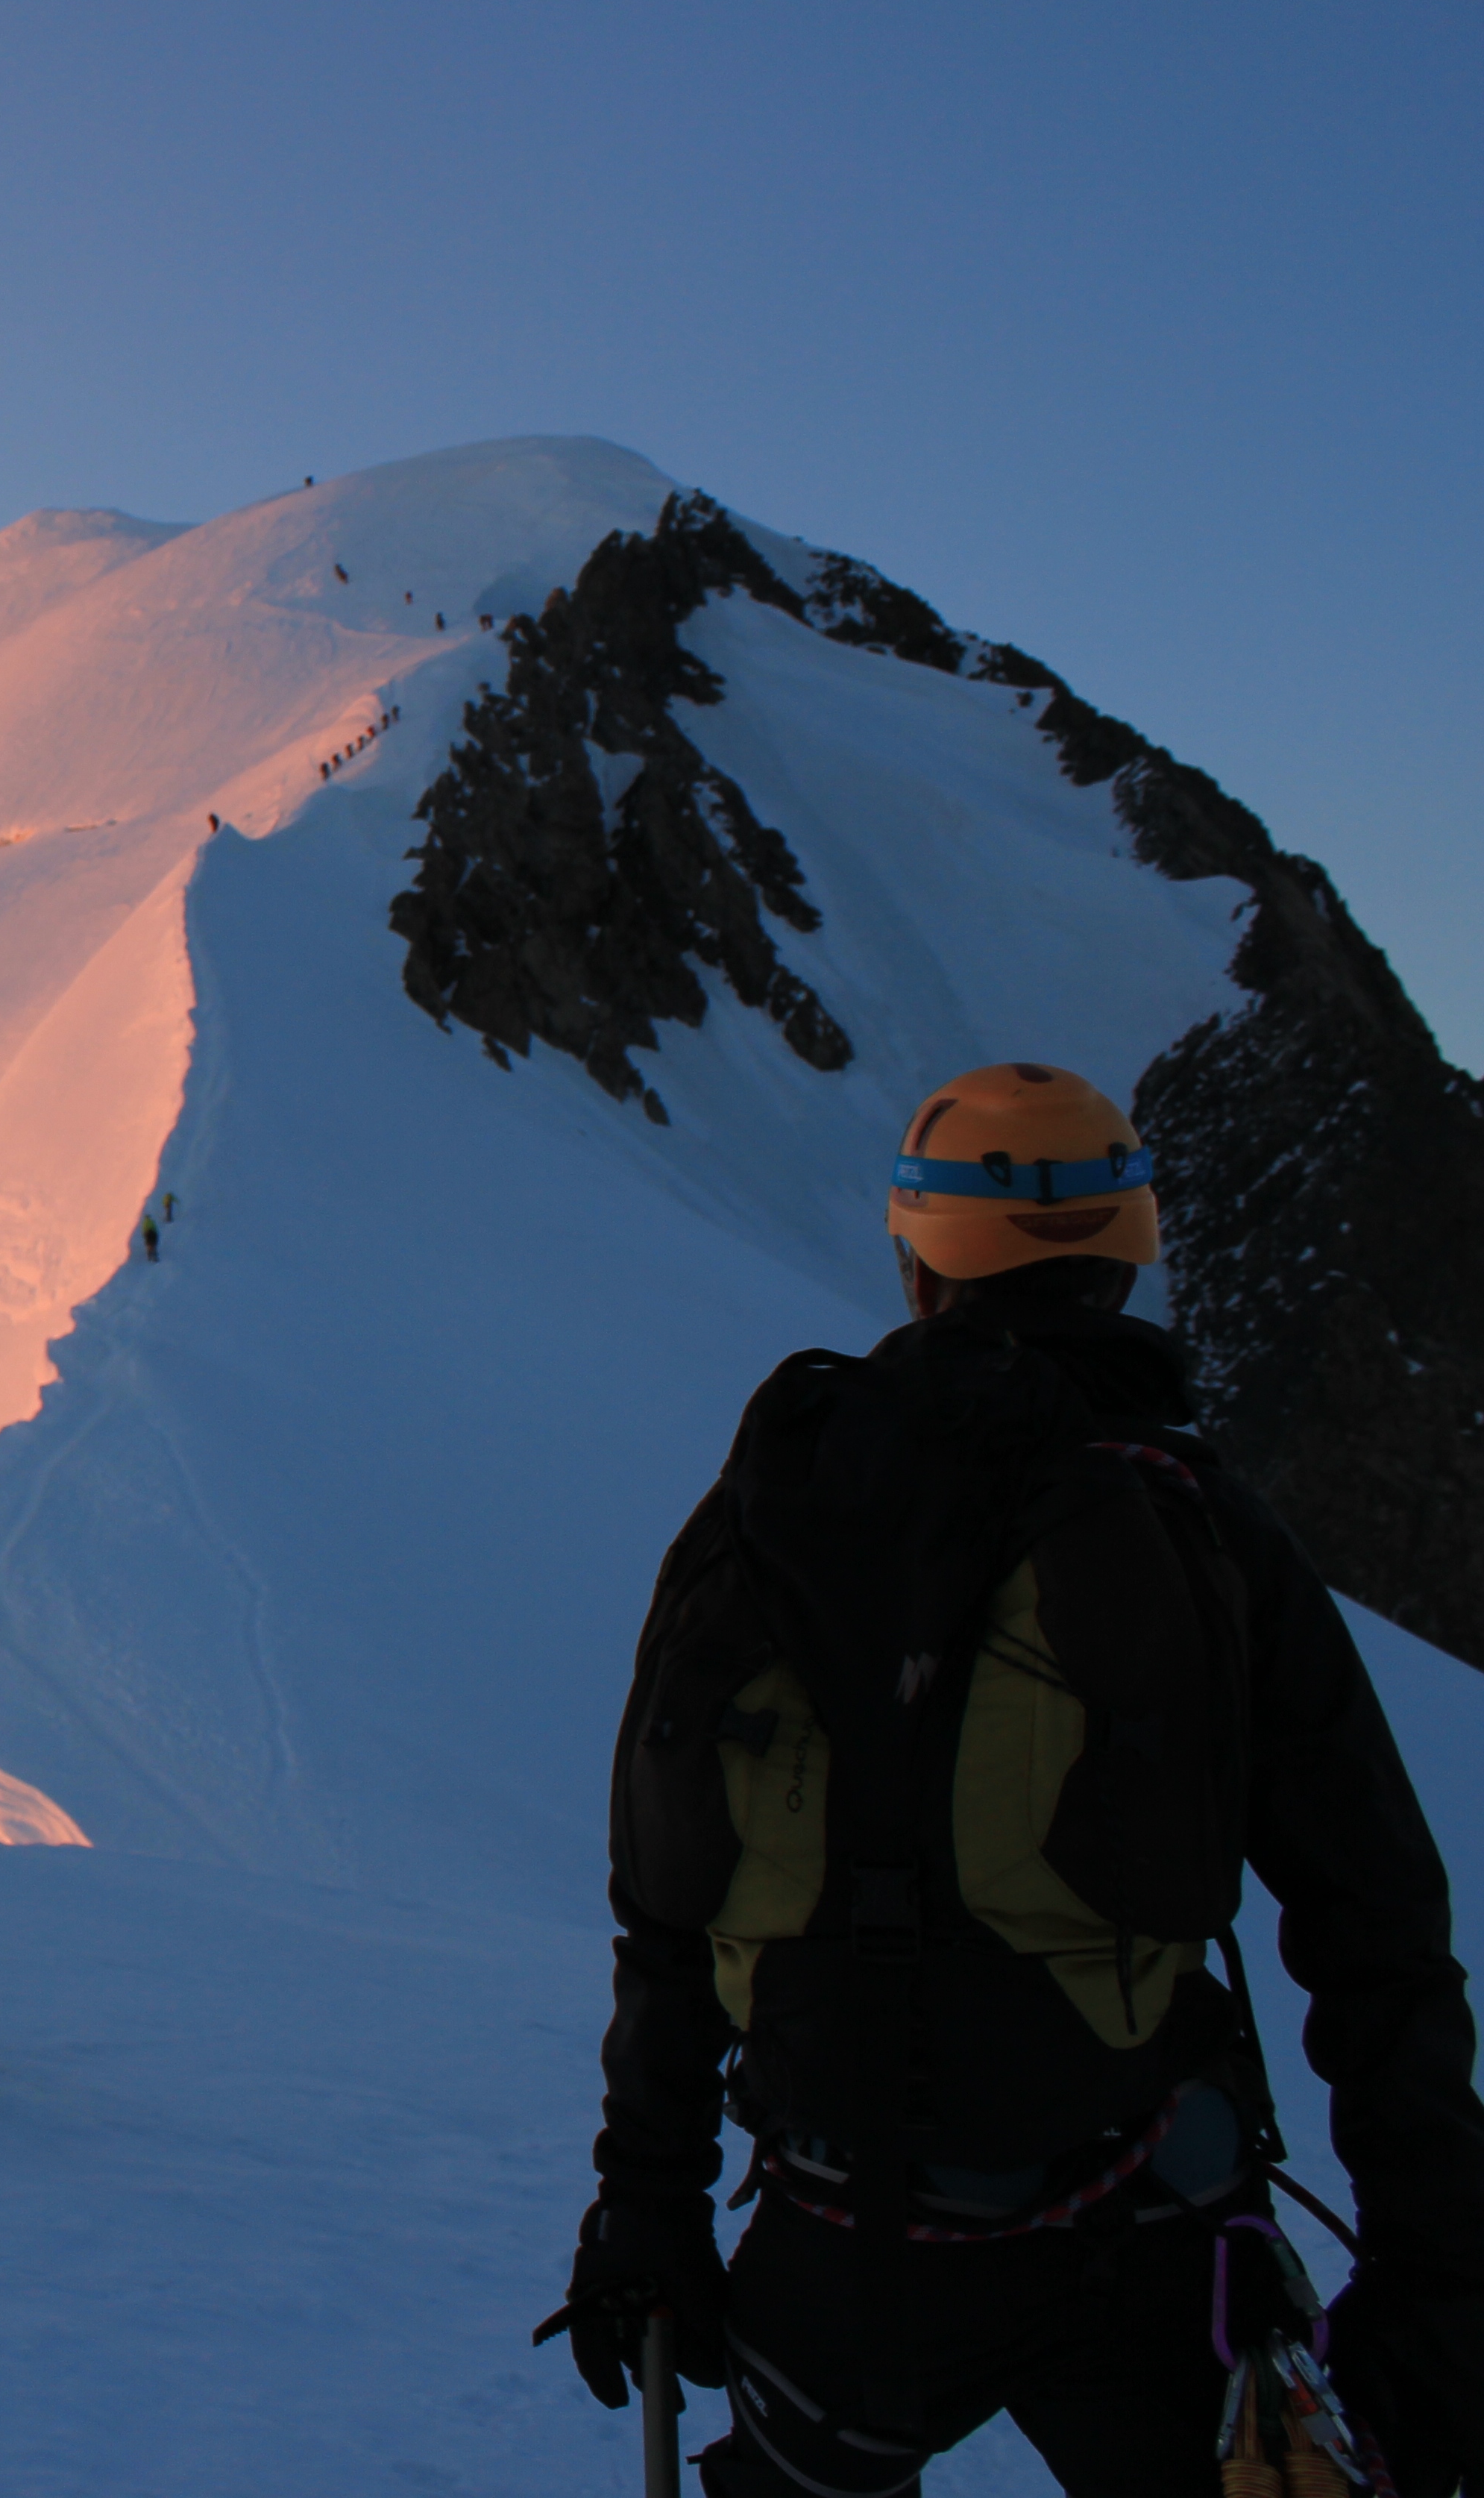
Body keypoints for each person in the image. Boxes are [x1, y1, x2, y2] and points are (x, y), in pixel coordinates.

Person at [559, 1062, 1484, 2496]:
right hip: (1153, 2212)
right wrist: (1434, 2273)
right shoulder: (1196, 1525)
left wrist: (645, 2199)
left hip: (846, 2239)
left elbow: (667, 1890)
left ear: (917, 1256)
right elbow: (1375, 1921)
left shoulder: (772, 1512)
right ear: (1124, 1253)